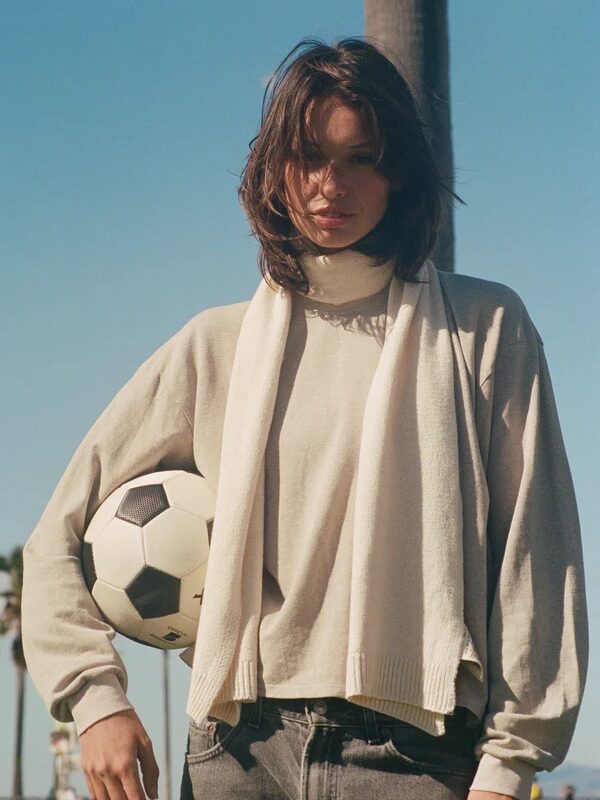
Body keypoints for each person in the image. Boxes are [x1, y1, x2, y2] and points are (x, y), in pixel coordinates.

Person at [21, 37, 588, 800]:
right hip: (235, 753)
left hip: (415, 760)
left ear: (399, 173)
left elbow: (536, 558)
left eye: (362, 158)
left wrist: (509, 766)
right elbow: (53, 538)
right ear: (274, 169)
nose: (331, 184)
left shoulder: (485, 329)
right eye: (309, 155)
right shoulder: (215, 347)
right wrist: (96, 702)